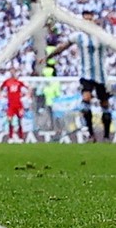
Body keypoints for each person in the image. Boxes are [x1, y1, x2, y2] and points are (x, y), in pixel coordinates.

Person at [47, 10, 111, 142]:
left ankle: (105, 136)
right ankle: (91, 135)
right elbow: (63, 46)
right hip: (86, 74)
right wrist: (49, 56)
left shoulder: (102, 36)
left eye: (89, 19)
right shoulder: (78, 36)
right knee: (86, 99)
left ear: (93, 20)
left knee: (104, 104)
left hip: (102, 75)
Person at [1, 70, 28, 141]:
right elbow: (0, 88)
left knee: (19, 121)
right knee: (10, 121)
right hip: (11, 105)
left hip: (19, 105)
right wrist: (0, 96)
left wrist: (27, 95)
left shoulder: (19, 83)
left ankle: (21, 137)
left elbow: (28, 88)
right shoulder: (7, 82)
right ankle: (10, 137)